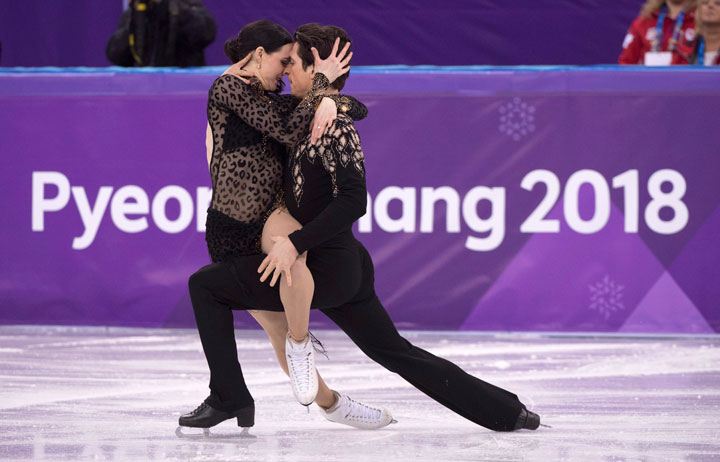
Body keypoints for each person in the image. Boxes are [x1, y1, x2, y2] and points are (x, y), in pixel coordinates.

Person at [183, 23, 542, 433]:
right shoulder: (277, 107)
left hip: (323, 262)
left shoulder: (321, 122)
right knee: (389, 350)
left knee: (216, 286)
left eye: (291, 66)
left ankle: (271, 382)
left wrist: (333, 100)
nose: (286, 75)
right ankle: (506, 411)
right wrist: (331, 98)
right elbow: (304, 118)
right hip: (324, 259)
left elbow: (352, 192)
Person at [179, 20, 393, 433]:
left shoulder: (272, 97)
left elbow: (355, 109)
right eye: (282, 61)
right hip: (228, 226)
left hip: (267, 213)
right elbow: (287, 126)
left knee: (293, 261)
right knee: (275, 328)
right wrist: (321, 91)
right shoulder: (227, 89)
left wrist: (332, 101)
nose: (285, 70)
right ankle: (330, 402)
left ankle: (304, 359)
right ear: (259, 55)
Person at [106, 0, 216, 67]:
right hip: (144, 90)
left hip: (181, 88)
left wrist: (166, 6)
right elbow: (115, 54)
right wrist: (137, 18)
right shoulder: (137, 13)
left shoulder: (184, 5)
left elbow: (206, 33)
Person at [619, 0, 697, 65]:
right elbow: (626, 62)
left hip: (689, 81)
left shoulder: (702, 21)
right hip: (649, 81)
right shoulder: (644, 21)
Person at [673, 0, 720, 64]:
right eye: (705, 2)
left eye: (718, 3)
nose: (710, 6)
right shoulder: (683, 51)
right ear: (698, 10)